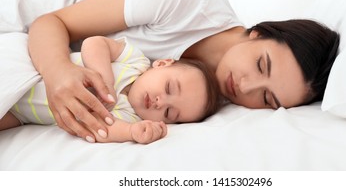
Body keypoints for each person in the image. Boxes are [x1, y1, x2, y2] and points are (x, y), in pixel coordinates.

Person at [27, 0, 340, 143]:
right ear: (258, 32)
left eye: (267, 98)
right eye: (261, 64)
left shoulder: (205, 104)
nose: (245, 87)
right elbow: (49, 22)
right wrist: (58, 74)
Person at [0, 36, 221, 144]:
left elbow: (103, 131)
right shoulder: (135, 61)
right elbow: (94, 43)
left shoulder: (130, 118)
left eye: (169, 113)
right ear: (162, 63)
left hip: (19, 113)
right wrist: (103, 79)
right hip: (31, 64)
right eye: (169, 87)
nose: (159, 102)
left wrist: (132, 133)